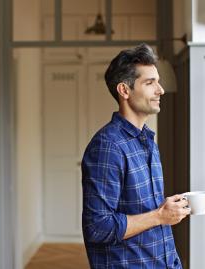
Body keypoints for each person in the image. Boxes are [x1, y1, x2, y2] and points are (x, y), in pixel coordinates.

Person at [81, 44, 190, 268]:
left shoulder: (147, 141)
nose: (160, 90)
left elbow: (149, 213)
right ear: (124, 90)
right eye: (150, 83)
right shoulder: (107, 147)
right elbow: (97, 227)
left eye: (157, 82)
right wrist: (160, 215)